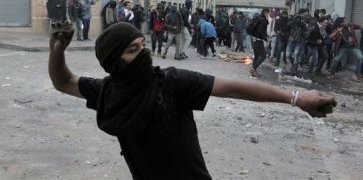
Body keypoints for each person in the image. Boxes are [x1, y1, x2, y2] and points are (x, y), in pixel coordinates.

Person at [48, 22, 337, 179]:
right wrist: (57, 49)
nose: (143, 54)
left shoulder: (171, 82)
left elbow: (235, 87)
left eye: (143, 46)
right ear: (114, 61)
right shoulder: (107, 92)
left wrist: (297, 97)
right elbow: (63, 82)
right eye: (133, 50)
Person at [249, 8, 269, 77]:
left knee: (257, 56)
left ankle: (253, 71)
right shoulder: (263, 20)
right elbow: (260, 31)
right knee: (263, 56)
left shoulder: (258, 18)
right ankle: (253, 69)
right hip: (258, 41)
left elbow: (259, 30)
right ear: (264, 12)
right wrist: (266, 38)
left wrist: (266, 35)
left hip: (254, 40)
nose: (268, 15)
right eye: (267, 13)